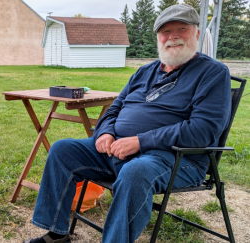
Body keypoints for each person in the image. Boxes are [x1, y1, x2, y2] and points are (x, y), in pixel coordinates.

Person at [24, 4, 231, 243]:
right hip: (118, 150)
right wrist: (105, 133)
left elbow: (203, 130)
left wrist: (140, 142)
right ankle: (56, 234)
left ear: (196, 33)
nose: (173, 36)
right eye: (166, 31)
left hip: (175, 159)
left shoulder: (213, 73)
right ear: (158, 38)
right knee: (62, 150)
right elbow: (114, 109)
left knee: (135, 172)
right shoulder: (144, 72)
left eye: (181, 29)